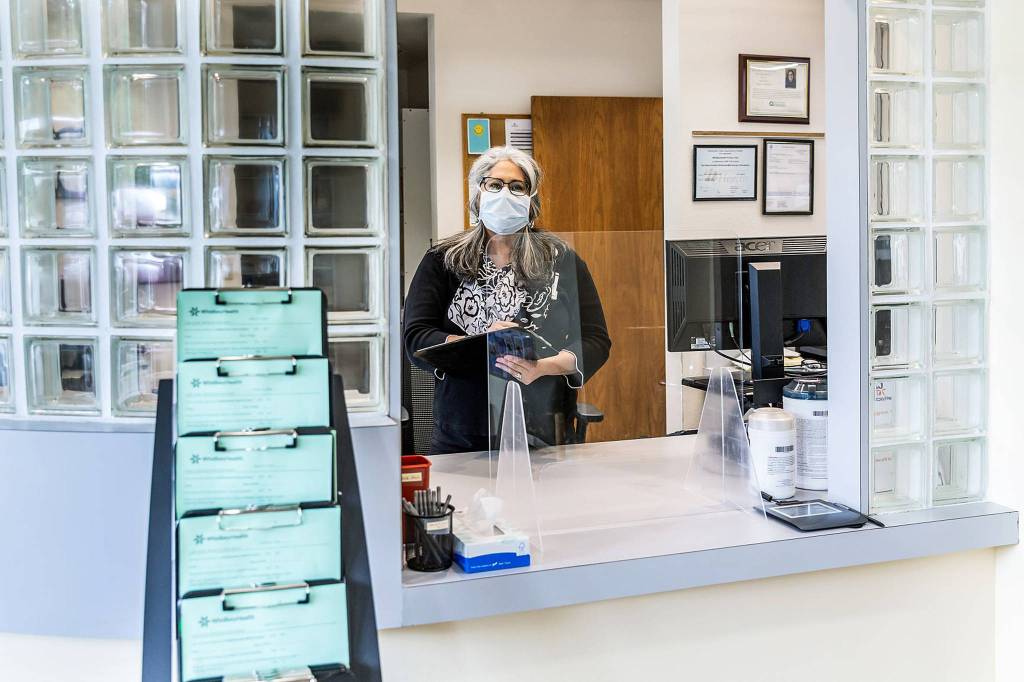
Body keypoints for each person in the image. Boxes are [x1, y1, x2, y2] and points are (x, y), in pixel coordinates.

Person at [404, 146, 611, 454]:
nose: (505, 193)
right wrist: (477, 343)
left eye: (517, 187)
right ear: (478, 194)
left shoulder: (562, 259)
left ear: (531, 200)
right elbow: (416, 337)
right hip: (463, 431)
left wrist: (545, 366)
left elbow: (595, 339)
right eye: (494, 185)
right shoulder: (443, 260)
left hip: (543, 428)